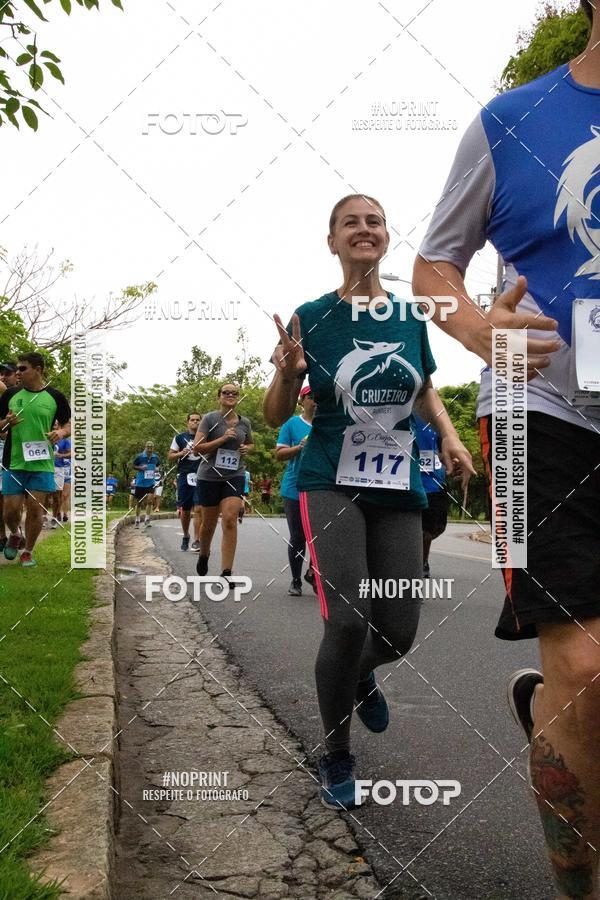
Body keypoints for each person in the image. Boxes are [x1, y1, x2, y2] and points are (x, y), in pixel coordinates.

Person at [413, 4, 600, 893]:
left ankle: (557, 720)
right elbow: (433, 269)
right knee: (585, 664)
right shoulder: (512, 121)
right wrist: (482, 332)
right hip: (536, 409)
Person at [265, 194, 475, 809]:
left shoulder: (409, 315)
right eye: (350, 223)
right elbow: (275, 415)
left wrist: (451, 434)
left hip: (397, 481)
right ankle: (336, 753)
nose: (364, 229)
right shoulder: (311, 316)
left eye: (374, 221)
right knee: (349, 618)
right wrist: (287, 373)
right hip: (329, 476)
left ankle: (358, 675)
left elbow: (424, 389)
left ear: (386, 237)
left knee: (399, 631)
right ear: (332, 241)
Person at [0, 352, 71, 566]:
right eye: (17, 369)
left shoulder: (55, 396)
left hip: (42, 462)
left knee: (35, 508)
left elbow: (69, 424)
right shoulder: (10, 394)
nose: (18, 373)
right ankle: (15, 533)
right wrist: (6, 423)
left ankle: (28, 551)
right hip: (14, 461)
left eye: (23, 368)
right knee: (10, 510)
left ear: (38, 370)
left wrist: (61, 433)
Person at [193, 383, 254, 578]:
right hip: (209, 476)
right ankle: (204, 554)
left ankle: (226, 571)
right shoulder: (210, 419)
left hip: (234, 475)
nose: (230, 395)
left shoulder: (245, 423)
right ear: (219, 397)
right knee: (208, 524)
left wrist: (246, 448)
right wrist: (222, 439)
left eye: (234, 393)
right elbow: (197, 448)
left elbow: (250, 443)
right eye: (226, 392)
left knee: (229, 519)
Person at [276, 384, 317, 596]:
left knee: (320, 536)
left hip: (321, 487)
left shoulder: (329, 423)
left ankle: (313, 574)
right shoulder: (292, 424)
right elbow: (279, 453)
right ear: (302, 400)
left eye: (318, 395)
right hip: (295, 487)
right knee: (298, 536)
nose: (315, 399)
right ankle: (295, 580)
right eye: (310, 396)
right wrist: (299, 447)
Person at [413, 413, 448, 577]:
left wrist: (448, 459)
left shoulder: (435, 418)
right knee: (420, 530)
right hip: (406, 482)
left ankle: (420, 560)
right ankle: (421, 563)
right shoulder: (400, 414)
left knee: (436, 528)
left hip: (434, 483)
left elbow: (443, 450)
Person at [168, 413, 203, 551]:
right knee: (185, 511)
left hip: (202, 475)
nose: (195, 422)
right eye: (192, 420)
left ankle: (197, 540)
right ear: (187, 422)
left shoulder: (206, 437)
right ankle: (186, 535)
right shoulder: (179, 438)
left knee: (199, 508)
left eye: (198, 420)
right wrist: (180, 453)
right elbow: (170, 456)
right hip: (184, 476)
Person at [0, 363, 19, 552]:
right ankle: (3, 535)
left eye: (7, 373)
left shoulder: (13, 394)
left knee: (10, 498)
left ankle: (15, 532)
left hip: (12, 450)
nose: (3, 377)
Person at [132, 441, 160, 528]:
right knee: (139, 502)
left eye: (151, 447)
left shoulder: (156, 457)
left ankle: (147, 519)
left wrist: (156, 469)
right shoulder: (140, 457)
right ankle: (137, 520)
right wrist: (140, 468)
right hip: (140, 483)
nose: (149, 449)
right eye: (148, 447)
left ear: (153, 448)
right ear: (145, 447)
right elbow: (133, 466)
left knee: (150, 501)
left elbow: (158, 465)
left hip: (150, 483)